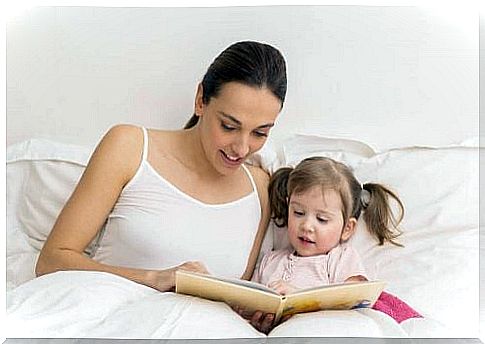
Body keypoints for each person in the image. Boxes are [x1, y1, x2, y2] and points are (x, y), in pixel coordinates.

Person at [34, 41, 287, 334]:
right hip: (115, 326)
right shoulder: (129, 147)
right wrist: (154, 278)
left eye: (260, 133)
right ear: (201, 100)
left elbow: (232, 296)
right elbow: (52, 260)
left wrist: (253, 311)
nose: (242, 147)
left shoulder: (260, 186)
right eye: (229, 126)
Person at [251, 156, 404, 295]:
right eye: (298, 212)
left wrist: (299, 296)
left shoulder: (341, 259)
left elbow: (353, 299)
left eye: (322, 219)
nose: (307, 226)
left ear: (347, 228)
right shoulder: (270, 261)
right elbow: (247, 300)